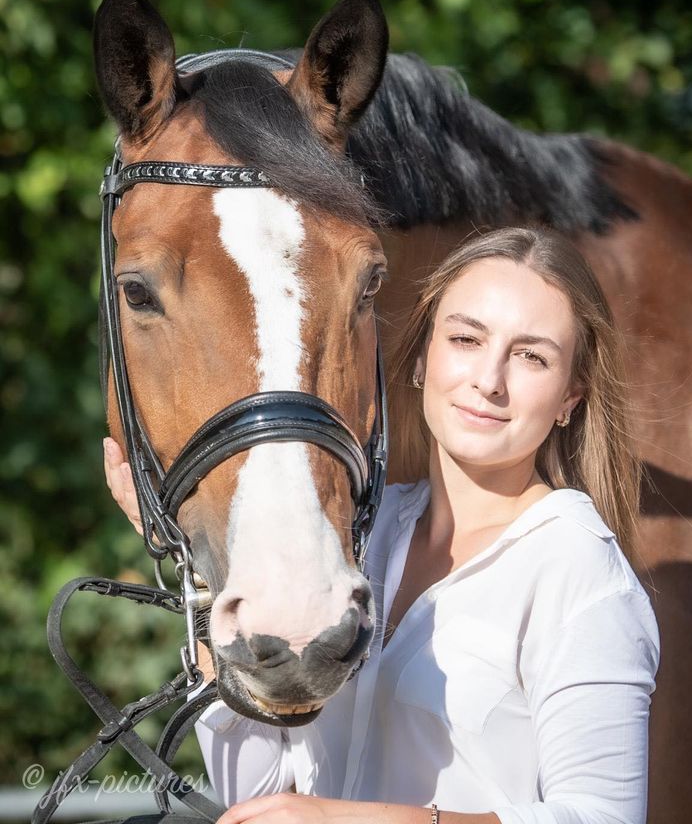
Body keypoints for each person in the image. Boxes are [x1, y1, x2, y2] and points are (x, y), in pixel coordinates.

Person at [104, 226, 659, 824]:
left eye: (531, 356)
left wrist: (346, 820)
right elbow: (256, 790)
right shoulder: (364, 533)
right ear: (423, 356)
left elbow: (605, 817)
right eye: (466, 339)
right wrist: (197, 559)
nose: (489, 380)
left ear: (571, 393)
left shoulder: (579, 569)